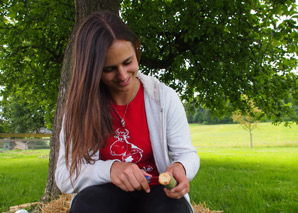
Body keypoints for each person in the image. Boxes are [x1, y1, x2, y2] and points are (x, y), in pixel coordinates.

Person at [55, 11, 200, 213]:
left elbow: (186, 153)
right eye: (109, 69)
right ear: (91, 69)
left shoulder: (164, 98)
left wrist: (181, 167)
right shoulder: (79, 109)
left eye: (127, 62)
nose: (123, 76)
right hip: (106, 192)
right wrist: (110, 169)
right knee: (87, 206)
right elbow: (64, 175)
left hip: (157, 191)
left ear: (137, 50)